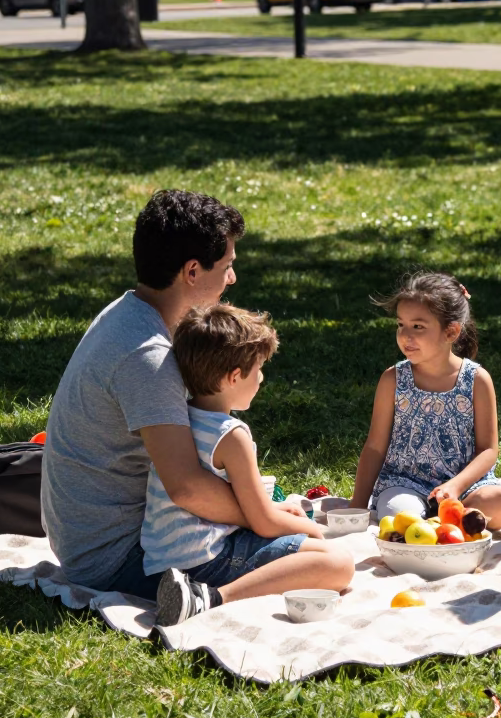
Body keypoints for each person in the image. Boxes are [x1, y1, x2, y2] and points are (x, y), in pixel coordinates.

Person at [42, 189, 306, 601]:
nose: (232, 278)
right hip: (122, 557)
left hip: (97, 541)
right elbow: (186, 488)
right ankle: (206, 601)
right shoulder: (148, 356)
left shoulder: (126, 311)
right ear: (193, 271)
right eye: (228, 266)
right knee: (322, 558)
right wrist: (262, 516)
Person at [145, 305, 353, 626]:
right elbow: (263, 524)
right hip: (207, 561)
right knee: (339, 564)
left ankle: (194, 593)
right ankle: (211, 598)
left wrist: (278, 512)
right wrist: (311, 528)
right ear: (234, 377)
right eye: (259, 368)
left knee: (312, 549)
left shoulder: (177, 419)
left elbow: (253, 508)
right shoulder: (232, 435)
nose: (262, 377)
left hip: (158, 564)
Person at [349, 272, 501, 530]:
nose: (405, 335)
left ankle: (443, 519)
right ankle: (449, 524)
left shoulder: (477, 380)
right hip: (405, 484)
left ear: (451, 331)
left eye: (418, 326)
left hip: (465, 487)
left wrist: (456, 486)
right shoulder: (392, 380)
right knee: (398, 515)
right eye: (401, 325)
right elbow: (375, 447)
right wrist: (357, 505)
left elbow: (488, 450)